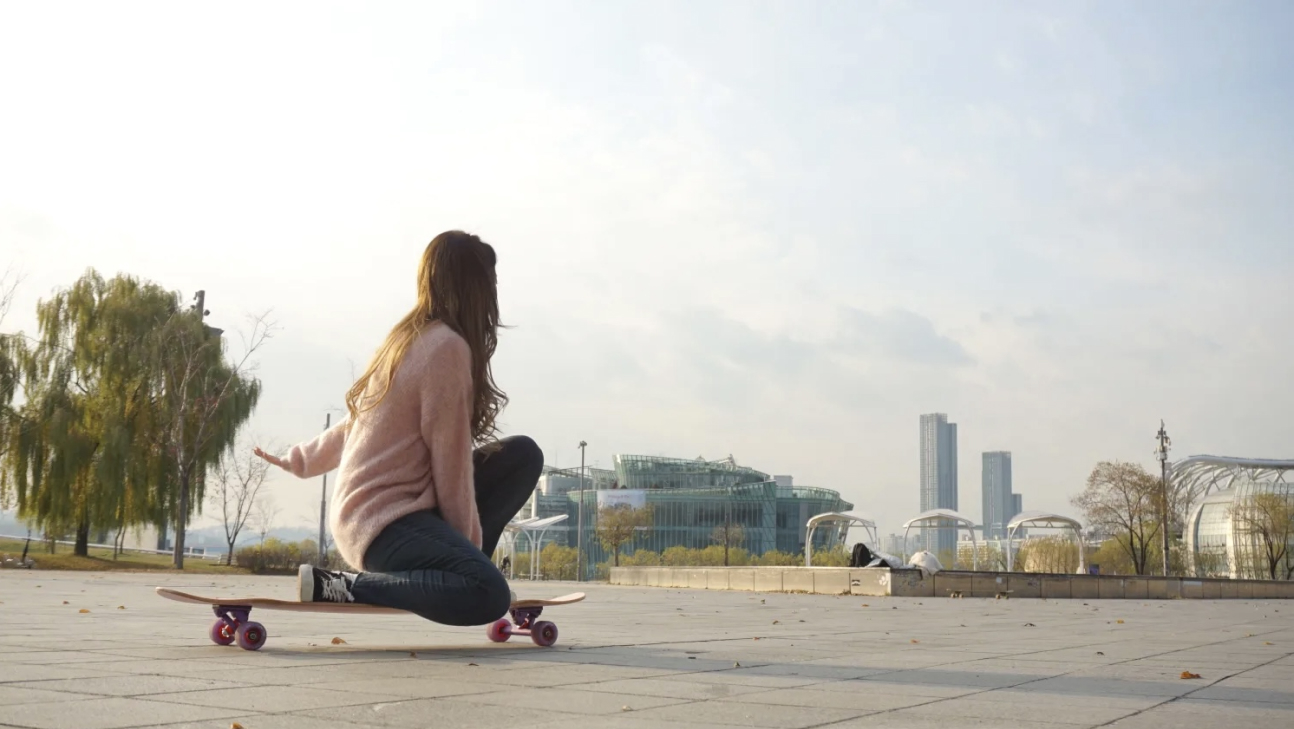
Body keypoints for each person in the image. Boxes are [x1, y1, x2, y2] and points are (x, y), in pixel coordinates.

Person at [254, 231, 542, 627]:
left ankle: (460, 575)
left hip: (381, 514)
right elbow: (451, 461)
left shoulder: (407, 338)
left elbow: (361, 419)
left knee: (522, 456)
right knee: (488, 594)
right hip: (383, 523)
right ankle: (345, 586)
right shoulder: (447, 348)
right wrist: (470, 561)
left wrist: (302, 459)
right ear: (475, 289)